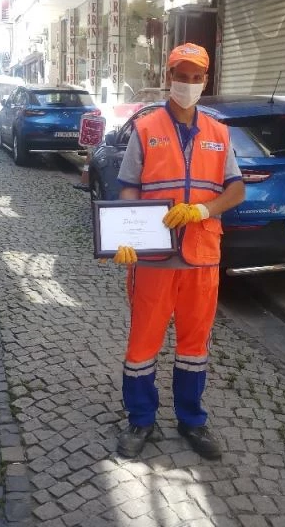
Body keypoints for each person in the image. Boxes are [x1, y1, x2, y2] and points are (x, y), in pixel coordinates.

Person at [111, 43, 246, 460]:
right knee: (143, 342)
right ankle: (141, 418)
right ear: (169, 77)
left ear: (205, 80)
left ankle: (192, 420)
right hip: (154, 258)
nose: (187, 84)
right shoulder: (146, 128)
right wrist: (127, 234)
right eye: (181, 76)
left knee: (194, 344)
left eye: (195, 77)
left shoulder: (219, 133)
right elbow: (128, 186)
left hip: (202, 256)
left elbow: (236, 190)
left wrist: (203, 209)